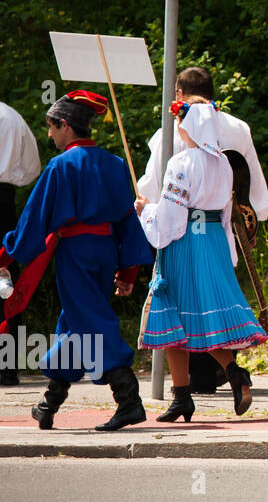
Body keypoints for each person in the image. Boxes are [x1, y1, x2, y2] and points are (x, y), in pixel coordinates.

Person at [0, 91, 153, 431]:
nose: (49, 135)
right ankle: (49, 402)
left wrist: (5, 256)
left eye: (52, 128)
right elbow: (128, 220)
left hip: (76, 253)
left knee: (93, 322)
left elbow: (34, 219)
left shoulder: (61, 166)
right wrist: (128, 269)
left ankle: (129, 399)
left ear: (65, 125)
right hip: (106, 252)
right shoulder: (114, 163)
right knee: (75, 323)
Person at [139, 65, 268, 393]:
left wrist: (147, 212)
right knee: (211, 303)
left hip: (184, 233)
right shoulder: (231, 141)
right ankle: (218, 373)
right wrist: (252, 221)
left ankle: (188, 389)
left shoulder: (175, 149)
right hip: (218, 232)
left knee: (176, 308)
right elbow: (248, 179)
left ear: (180, 96)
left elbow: (159, 191)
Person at [0, 100, 41, 385]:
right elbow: (32, 168)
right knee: (6, 282)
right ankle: (6, 367)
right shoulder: (11, 116)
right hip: (4, 202)